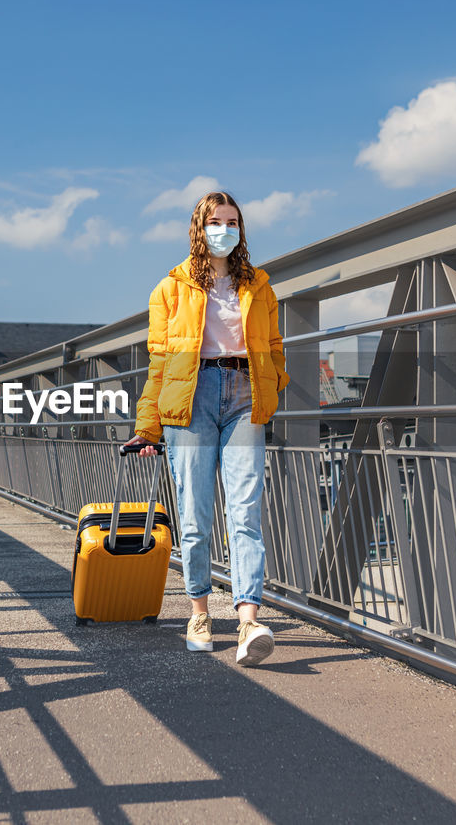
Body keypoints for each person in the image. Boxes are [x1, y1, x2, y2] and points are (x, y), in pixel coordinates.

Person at [124, 191, 289, 666]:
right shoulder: (170, 288)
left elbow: (275, 345)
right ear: (200, 227)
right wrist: (148, 427)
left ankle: (248, 619)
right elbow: (159, 364)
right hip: (191, 397)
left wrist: (275, 381)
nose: (225, 228)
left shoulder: (259, 285)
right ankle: (199, 611)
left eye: (233, 221)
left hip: (244, 395)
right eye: (216, 221)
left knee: (245, 512)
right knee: (194, 516)